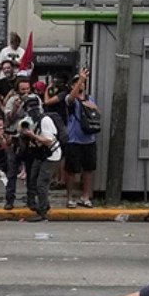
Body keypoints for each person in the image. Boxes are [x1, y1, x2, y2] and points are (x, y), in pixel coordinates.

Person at [19, 93, 61, 222]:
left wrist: (32, 135)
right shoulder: (32, 120)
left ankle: (42, 212)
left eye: (32, 108)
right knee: (33, 180)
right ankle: (43, 205)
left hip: (51, 155)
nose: (31, 111)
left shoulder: (45, 120)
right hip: (41, 154)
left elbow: (49, 141)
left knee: (41, 183)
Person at [63, 68, 100, 208]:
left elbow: (97, 112)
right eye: (76, 83)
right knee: (72, 170)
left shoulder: (90, 98)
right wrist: (81, 79)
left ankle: (85, 196)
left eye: (82, 82)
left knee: (88, 169)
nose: (80, 85)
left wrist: (94, 107)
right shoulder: (70, 99)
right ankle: (70, 197)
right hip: (74, 140)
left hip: (89, 139)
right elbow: (71, 98)